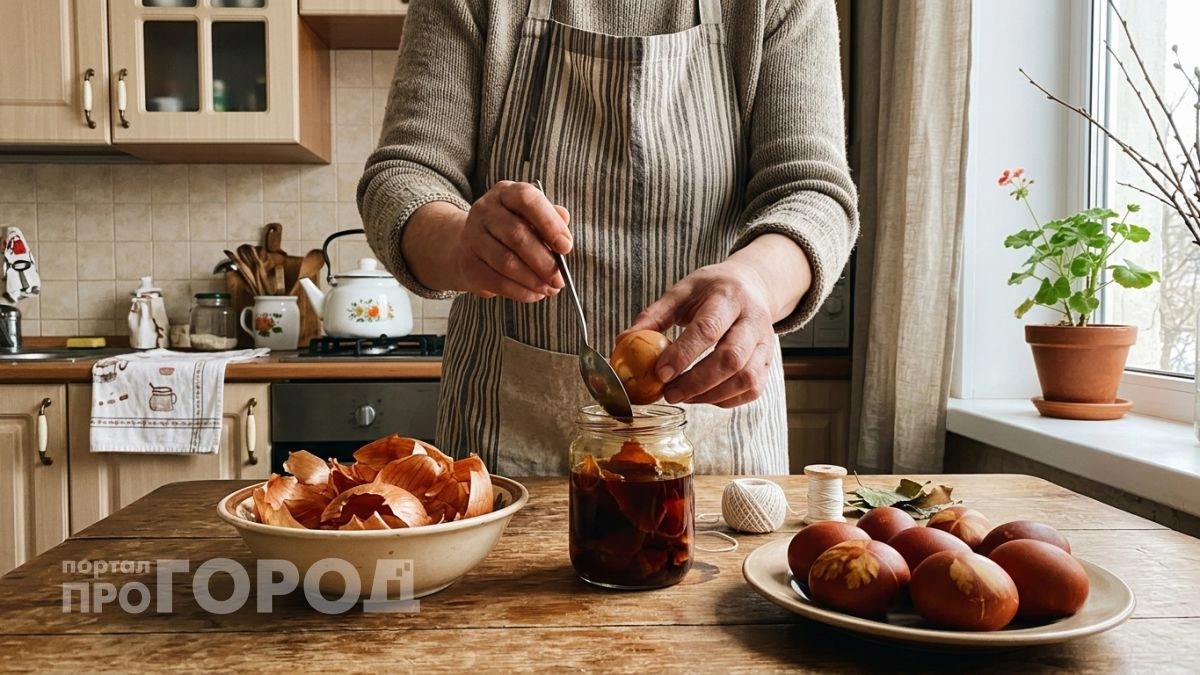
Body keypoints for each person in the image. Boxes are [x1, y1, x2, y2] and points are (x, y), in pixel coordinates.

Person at [358, 0, 858, 477]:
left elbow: (814, 194)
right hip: (506, 441)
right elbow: (402, 176)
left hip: (717, 449)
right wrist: (459, 242)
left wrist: (756, 279)